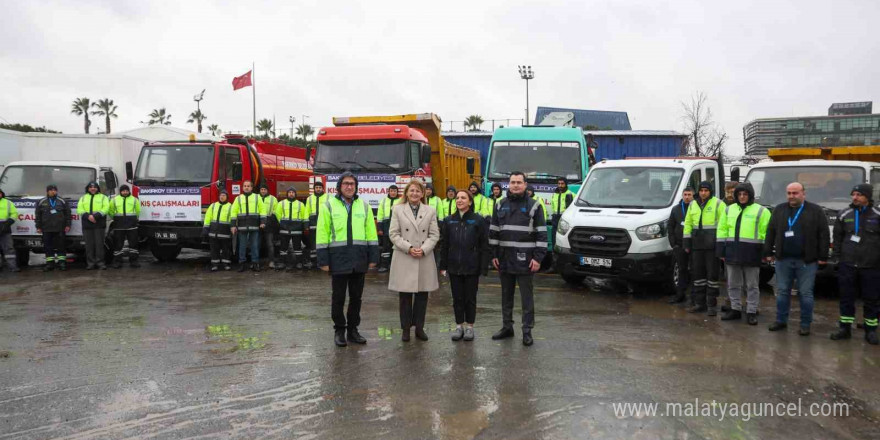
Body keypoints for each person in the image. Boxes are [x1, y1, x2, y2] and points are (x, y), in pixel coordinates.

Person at [316, 172, 379, 347]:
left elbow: (371, 234)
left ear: (356, 186)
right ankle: (339, 330)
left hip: (359, 259)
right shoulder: (328, 206)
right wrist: (323, 260)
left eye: (352, 184)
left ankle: (353, 330)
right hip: (338, 259)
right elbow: (322, 233)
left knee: (356, 298)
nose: (349, 187)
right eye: (346, 184)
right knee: (338, 298)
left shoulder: (364, 207)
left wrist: (373, 257)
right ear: (339, 187)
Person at [490, 172, 547, 346]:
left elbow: (542, 235)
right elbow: (493, 232)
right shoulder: (500, 205)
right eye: (513, 182)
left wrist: (537, 259)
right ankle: (507, 327)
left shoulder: (535, 206)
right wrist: (493, 255)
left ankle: (527, 330)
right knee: (506, 296)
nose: (515, 185)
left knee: (526, 298)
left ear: (525, 184)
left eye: (519, 182)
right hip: (505, 259)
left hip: (526, 260)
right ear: (509, 184)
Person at [765, 182, 829, 336]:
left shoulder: (815, 211)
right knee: (782, 293)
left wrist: (822, 256)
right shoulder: (779, 210)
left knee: (805, 294)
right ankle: (781, 321)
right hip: (783, 260)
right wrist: (767, 251)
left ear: (803, 194)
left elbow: (823, 234)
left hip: (807, 261)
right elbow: (771, 231)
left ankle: (805, 324)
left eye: (795, 193)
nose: (791, 196)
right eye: (789, 193)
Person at [388, 179, 441, 342]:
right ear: (406, 193)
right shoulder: (397, 209)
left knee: (422, 296)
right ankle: (405, 329)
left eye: (418, 191)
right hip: (405, 256)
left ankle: (419, 328)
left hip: (423, 257)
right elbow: (393, 234)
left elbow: (434, 234)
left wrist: (424, 249)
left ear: (422, 193)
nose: (414, 194)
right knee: (404, 296)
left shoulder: (430, 210)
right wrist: (409, 248)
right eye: (411, 190)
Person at [830, 184, 880, 345]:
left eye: (859, 194)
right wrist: (837, 258)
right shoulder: (844, 214)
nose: (855, 197)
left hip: (871, 266)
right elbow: (837, 239)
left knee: (871, 299)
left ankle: (871, 330)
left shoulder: (877, 215)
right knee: (846, 298)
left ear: (867, 196)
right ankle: (845, 328)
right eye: (853, 194)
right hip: (848, 265)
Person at [716, 183, 771, 325]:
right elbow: (722, 230)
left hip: (752, 253)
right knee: (733, 284)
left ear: (750, 195)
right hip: (732, 253)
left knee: (752, 285)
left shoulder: (762, 211)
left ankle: (751, 311)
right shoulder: (728, 210)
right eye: (739, 194)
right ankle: (735, 309)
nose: (742, 197)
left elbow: (767, 233)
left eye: (745, 194)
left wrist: (766, 252)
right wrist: (721, 250)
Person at [439, 189, 489, 341]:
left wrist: (483, 266)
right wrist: (443, 265)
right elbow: (444, 245)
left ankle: (470, 327)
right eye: (458, 198)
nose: (459, 200)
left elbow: (484, 245)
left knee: (470, 298)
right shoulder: (449, 221)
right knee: (457, 298)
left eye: (463, 198)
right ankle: (459, 326)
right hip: (454, 266)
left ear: (470, 201)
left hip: (471, 266)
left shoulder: (478, 220)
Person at [683, 181, 723, 315]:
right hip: (697, 245)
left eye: (706, 190)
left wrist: (721, 244)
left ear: (710, 192)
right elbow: (688, 223)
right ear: (698, 192)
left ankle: (712, 305)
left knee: (712, 275)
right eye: (701, 190)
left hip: (712, 246)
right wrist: (686, 241)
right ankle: (700, 304)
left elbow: (723, 225)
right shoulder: (693, 204)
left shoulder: (718, 203)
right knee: (698, 275)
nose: (703, 193)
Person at [231, 180, 266, 272]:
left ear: (251, 187)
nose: (246, 187)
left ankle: (255, 263)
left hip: (255, 225)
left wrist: (263, 222)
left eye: (248, 186)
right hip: (242, 226)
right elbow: (233, 212)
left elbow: (263, 210)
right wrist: (233, 225)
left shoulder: (257, 197)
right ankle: (242, 264)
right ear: (242, 188)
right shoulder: (238, 198)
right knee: (242, 246)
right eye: (245, 186)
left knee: (254, 245)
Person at [667, 187, 694, 304]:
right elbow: (670, 226)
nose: (687, 197)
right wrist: (673, 243)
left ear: (693, 196)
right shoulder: (676, 209)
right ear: (682, 196)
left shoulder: (696, 208)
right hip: (679, 245)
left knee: (694, 270)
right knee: (682, 269)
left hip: (694, 245)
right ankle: (680, 294)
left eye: (689, 195)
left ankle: (694, 297)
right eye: (685, 194)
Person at [35, 184, 71, 271]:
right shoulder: (41, 201)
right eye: (51, 190)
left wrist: (68, 225)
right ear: (47, 191)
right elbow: (38, 216)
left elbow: (68, 214)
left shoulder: (62, 201)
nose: (53, 191)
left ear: (57, 191)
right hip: (46, 228)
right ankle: (50, 264)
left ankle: (62, 263)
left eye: (54, 190)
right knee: (48, 247)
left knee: (61, 246)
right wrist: (38, 227)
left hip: (60, 228)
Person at [77, 182, 110, 270]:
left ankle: (100, 263)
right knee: (89, 245)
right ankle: (90, 263)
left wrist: (95, 216)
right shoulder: (83, 198)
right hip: (87, 225)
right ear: (88, 189)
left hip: (99, 224)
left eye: (95, 187)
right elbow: (79, 209)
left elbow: (106, 208)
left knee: (99, 245)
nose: (93, 188)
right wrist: (88, 216)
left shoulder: (103, 197)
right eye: (91, 187)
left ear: (97, 188)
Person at [108, 184, 141, 269]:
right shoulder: (114, 200)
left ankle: (134, 261)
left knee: (133, 244)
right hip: (119, 225)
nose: (125, 192)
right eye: (123, 191)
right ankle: (117, 262)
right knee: (118, 244)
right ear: (120, 191)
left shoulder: (134, 199)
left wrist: (134, 219)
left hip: (132, 225)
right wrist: (116, 218)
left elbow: (138, 211)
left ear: (129, 191)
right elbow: (110, 211)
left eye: (126, 190)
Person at [276, 188, 307, 271]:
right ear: (287, 194)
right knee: (283, 247)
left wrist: (302, 226)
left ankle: (299, 263)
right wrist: (282, 223)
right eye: (289, 192)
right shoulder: (281, 203)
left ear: (295, 194)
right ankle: (282, 262)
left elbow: (304, 216)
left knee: (297, 247)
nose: (291, 194)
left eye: (293, 192)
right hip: (284, 229)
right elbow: (278, 214)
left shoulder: (301, 204)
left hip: (297, 229)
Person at [204, 190, 234, 271]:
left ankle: (226, 264)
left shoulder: (231, 206)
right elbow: (208, 217)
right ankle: (215, 265)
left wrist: (233, 228)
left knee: (226, 249)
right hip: (213, 232)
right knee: (214, 249)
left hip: (225, 232)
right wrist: (206, 228)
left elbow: (233, 218)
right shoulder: (213, 205)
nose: (222, 197)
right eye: (221, 195)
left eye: (224, 195)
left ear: (227, 197)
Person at [376, 184, 400, 273]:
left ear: (397, 192)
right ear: (389, 192)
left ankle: (396, 266)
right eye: (391, 191)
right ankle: (384, 266)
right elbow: (380, 215)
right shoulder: (383, 201)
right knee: (386, 247)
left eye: (394, 191)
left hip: (397, 226)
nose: (393, 193)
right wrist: (379, 228)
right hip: (386, 226)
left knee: (397, 246)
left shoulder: (401, 201)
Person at [305, 181, 327, 269]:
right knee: (313, 245)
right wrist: (306, 224)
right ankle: (313, 263)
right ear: (314, 189)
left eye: (319, 187)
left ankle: (323, 262)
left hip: (324, 225)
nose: (318, 189)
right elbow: (307, 211)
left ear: (323, 189)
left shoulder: (328, 197)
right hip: (313, 225)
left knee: (324, 244)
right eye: (316, 187)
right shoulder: (309, 199)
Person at [258, 184, 280, 269]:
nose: (263, 191)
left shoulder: (273, 199)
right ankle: (257, 262)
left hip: (269, 224)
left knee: (269, 244)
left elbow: (275, 211)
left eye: (264, 189)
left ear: (267, 190)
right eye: (261, 189)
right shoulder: (256, 198)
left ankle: (271, 261)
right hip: (258, 223)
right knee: (257, 244)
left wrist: (270, 221)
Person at [0, 188, 20, 272]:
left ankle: (13, 267)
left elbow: (14, 214)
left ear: (2, 194)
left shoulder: (8, 202)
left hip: (5, 228)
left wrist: (8, 223)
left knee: (9, 249)